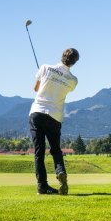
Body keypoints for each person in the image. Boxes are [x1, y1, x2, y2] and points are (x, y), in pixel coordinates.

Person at [29, 48, 79, 195]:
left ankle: (42, 186)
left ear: (62, 56)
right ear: (74, 62)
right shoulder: (73, 80)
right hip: (54, 117)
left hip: (37, 113)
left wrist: (43, 79)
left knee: (39, 152)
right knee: (56, 150)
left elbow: (35, 88)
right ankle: (61, 171)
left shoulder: (44, 67)